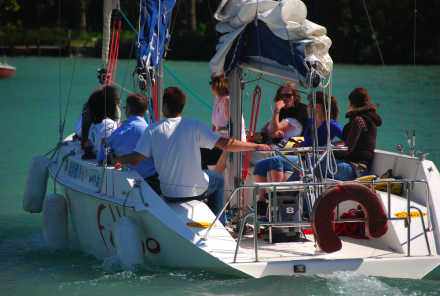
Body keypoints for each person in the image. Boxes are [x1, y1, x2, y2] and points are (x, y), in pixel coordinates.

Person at [117, 87, 271, 224]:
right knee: (218, 180)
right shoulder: (195, 125)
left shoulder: (152, 130)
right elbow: (227, 144)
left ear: (164, 106)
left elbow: (136, 159)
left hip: (168, 193)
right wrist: (256, 145)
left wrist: (117, 158)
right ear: (182, 106)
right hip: (195, 192)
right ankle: (219, 223)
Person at [253, 91, 343, 210]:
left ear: (317, 107)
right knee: (260, 165)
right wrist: (297, 144)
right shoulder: (311, 122)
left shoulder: (330, 124)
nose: (307, 108)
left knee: (276, 161)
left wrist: (331, 145)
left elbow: (346, 140)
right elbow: (307, 141)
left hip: (314, 161)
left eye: (309, 105)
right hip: (302, 157)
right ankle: (262, 203)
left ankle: (280, 195)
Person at [97, 93, 160, 193]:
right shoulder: (153, 131)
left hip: (130, 185)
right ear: (146, 111)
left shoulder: (118, 132)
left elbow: (101, 157)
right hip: (155, 184)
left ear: (129, 110)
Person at [333, 87, 382, 179]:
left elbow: (348, 149)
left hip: (354, 169)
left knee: (314, 160)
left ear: (352, 103)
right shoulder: (370, 121)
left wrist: (331, 152)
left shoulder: (358, 121)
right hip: (362, 167)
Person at [201, 74, 246, 173]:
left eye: (211, 83)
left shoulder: (228, 101)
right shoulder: (218, 99)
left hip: (230, 143)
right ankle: (205, 179)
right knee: (196, 148)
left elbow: (235, 126)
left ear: (217, 86)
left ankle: (208, 181)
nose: (210, 86)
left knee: (200, 153)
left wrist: (218, 131)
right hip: (219, 142)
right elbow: (214, 125)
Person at [87, 85, 119, 157]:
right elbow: (106, 150)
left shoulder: (93, 125)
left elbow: (89, 144)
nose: (118, 103)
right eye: (116, 100)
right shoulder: (109, 124)